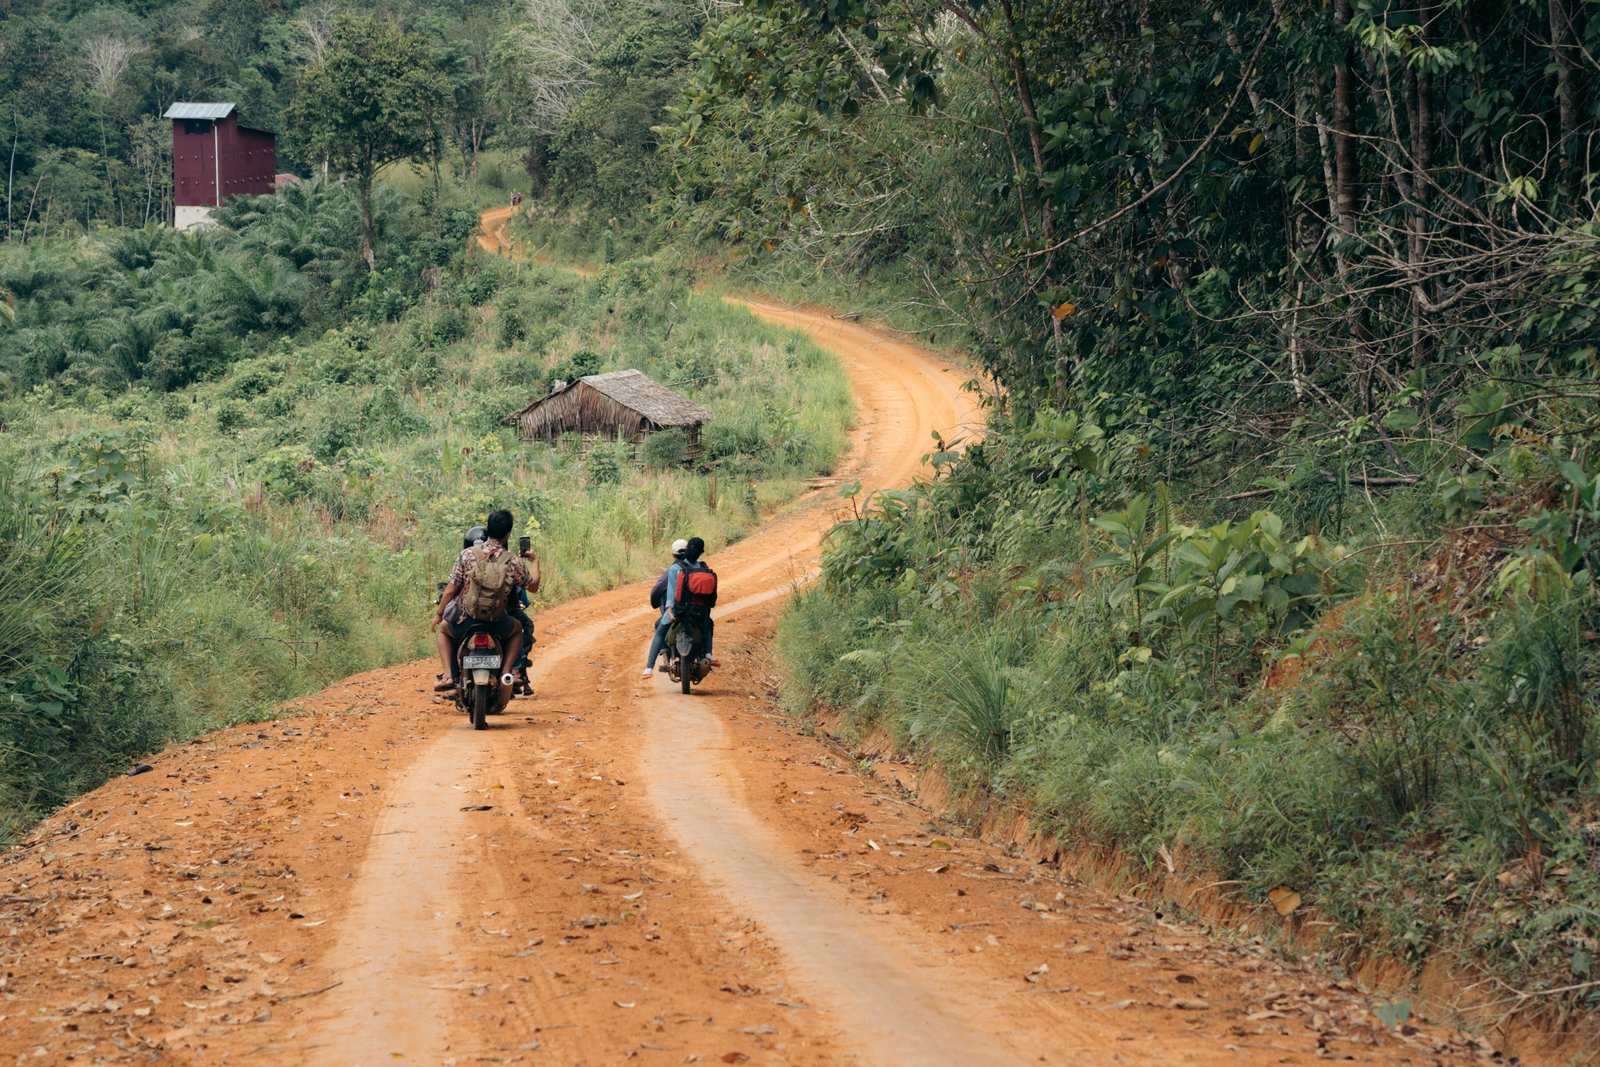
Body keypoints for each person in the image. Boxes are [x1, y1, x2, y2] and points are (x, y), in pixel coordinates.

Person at [432, 510, 540, 692]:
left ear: (487, 530)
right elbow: (533, 586)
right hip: (497, 621)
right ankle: (508, 673)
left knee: (444, 630)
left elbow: (450, 590)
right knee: (517, 630)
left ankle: (449, 676)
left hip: (467, 620)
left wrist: (439, 614)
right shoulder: (513, 561)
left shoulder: (467, 555)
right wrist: (535, 561)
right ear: (508, 534)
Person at [643, 535, 718, 679]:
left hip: (679, 611)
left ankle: (648, 668)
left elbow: (671, 595)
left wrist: (670, 610)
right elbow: (711, 597)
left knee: (659, 631)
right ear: (701, 552)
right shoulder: (704, 568)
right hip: (699, 613)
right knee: (709, 625)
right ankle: (708, 654)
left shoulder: (675, 569)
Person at [643, 539, 689, 674]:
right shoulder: (698, 568)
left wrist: (656, 604)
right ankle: (707, 654)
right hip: (696, 612)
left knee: (659, 626)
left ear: (673, 555)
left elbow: (656, 593)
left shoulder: (670, 572)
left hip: (674, 613)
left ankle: (660, 661)